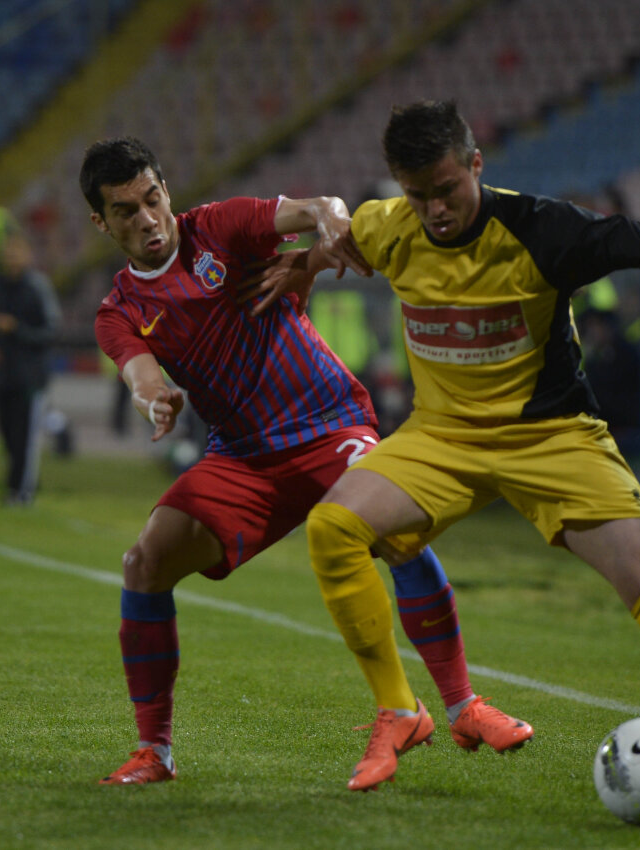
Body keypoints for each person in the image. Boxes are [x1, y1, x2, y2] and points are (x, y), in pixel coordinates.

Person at [251, 101, 640, 816]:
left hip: (551, 437)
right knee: (333, 527)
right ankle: (399, 710)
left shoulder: (546, 229)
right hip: (441, 439)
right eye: (417, 195)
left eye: (447, 189)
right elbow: (344, 241)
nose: (435, 209)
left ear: (476, 165)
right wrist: (305, 268)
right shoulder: (392, 227)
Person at [79, 137, 532, 786]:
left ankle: (462, 707)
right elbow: (138, 371)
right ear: (102, 222)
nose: (147, 219)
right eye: (125, 211)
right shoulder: (120, 309)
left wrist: (330, 227)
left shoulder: (218, 228)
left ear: (166, 192)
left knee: (398, 533)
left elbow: (319, 207)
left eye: (152, 199)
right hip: (243, 460)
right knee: (144, 563)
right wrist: (155, 398)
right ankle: (156, 752)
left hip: (327, 425)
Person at [0, 232, 62, 505]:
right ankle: (17, 483)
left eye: (16, 253)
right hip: (4, 375)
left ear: (28, 256)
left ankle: (22, 491)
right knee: (7, 434)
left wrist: (17, 329)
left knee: (25, 436)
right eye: (7, 253)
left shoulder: (37, 288)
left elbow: (51, 331)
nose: (11, 258)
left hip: (30, 376)